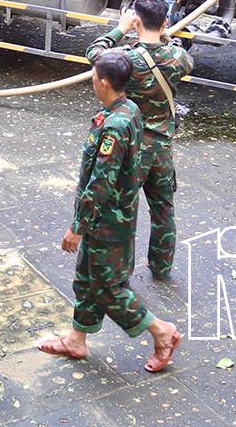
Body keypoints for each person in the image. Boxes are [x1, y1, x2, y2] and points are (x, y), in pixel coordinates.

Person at [38, 53, 182, 372]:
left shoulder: (116, 126)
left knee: (110, 290)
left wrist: (78, 226)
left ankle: (163, 332)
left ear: (104, 82)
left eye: (93, 78)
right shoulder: (128, 109)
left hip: (107, 222)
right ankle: (77, 340)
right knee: (87, 279)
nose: (91, 82)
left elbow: (100, 183)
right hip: (109, 219)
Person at [85, 0, 193, 280]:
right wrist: (164, 35)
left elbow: (95, 53)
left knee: (124, 209)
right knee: (163, 209)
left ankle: (122, 268)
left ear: (137, 21)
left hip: (132, 149)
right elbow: (185, 60)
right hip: (162, 148)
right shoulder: (178, 57)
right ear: (165, 21)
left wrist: (121, 29)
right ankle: (161, 265)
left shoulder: (127, 60)